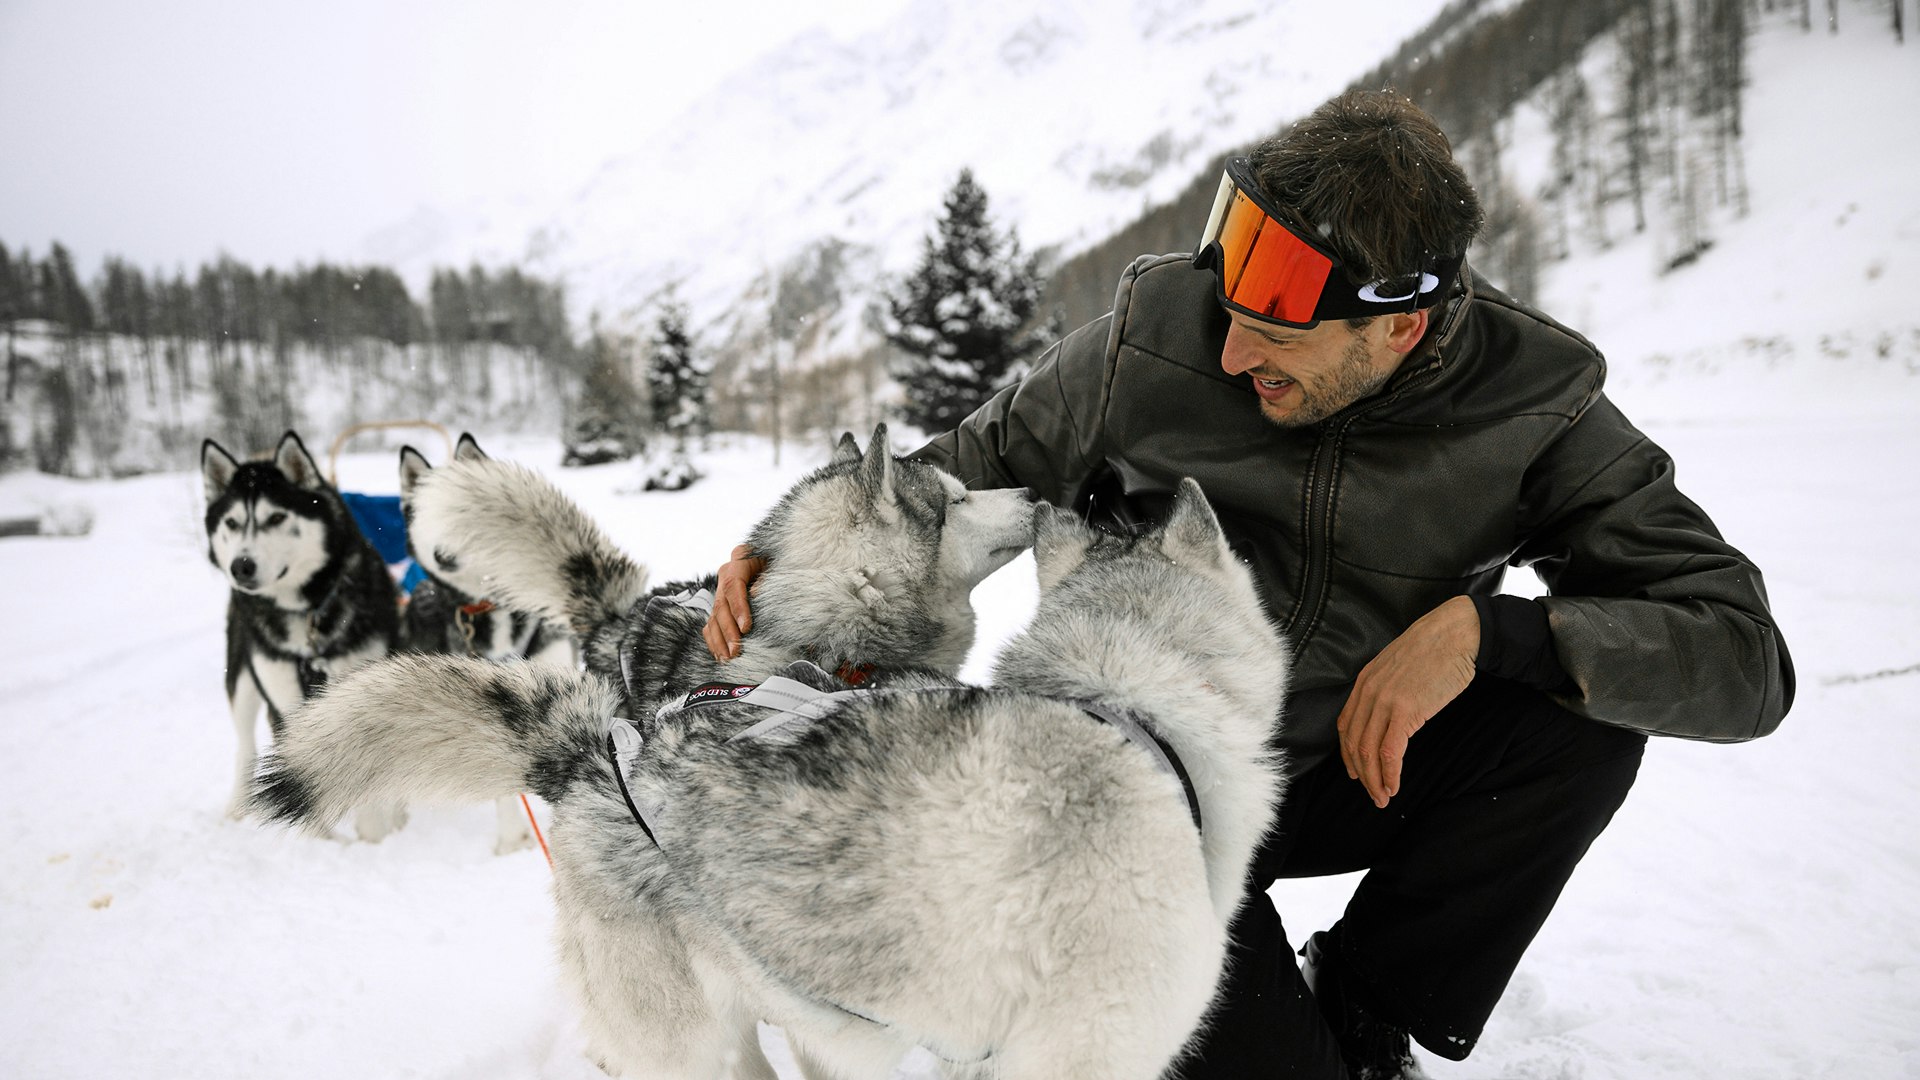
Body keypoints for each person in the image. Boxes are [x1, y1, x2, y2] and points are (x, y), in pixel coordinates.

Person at [701, 89, 1793, 1079]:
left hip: (1349, 765)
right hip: (1133, 800)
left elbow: (1744, 657)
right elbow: (955, 474)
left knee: (1575, 729)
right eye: (1228, 322)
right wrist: (781, 550)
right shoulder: (1153, 335)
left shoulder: (1537, 407)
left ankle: (1367, 1008)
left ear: (1401, 325)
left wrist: (1485, 634)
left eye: (1273, 338)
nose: (1228, 358)